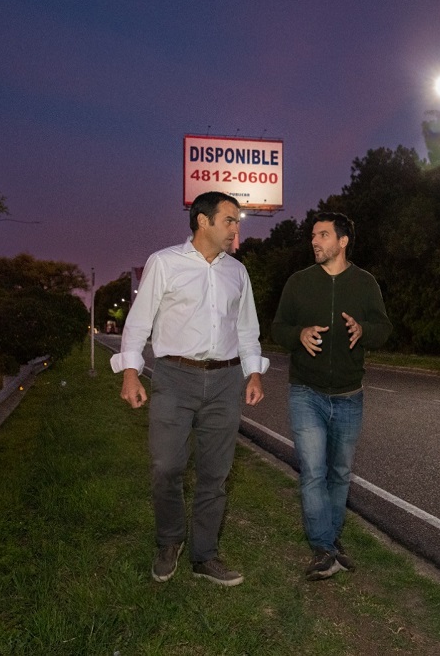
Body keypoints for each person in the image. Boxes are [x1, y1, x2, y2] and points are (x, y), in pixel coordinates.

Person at [111, 190, 268, 587]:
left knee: (216, 474)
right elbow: (139, 321)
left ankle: (205, 555)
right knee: (166, 467)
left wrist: (253, 373)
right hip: (174, 378)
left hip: (225, 380)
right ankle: (169, 542)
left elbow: (247, 328)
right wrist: (131, 372)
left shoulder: (237, 272)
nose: (236, 228)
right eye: (230, 220)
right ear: (203, 221)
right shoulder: (164, 263)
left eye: (237, 221)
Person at [272, 211, 392, 581]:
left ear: (342, 241)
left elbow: (384, 328)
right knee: (312, 471)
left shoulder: (365, 283)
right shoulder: (299, 282)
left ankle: (330, 543)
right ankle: (324, 547)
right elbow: (278, 327)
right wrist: (299, 335)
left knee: (339, 473)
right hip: (306, 392)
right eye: (313, 235)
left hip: (349, 395)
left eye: (323, 235)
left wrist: (364, 329)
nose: (314, 241)